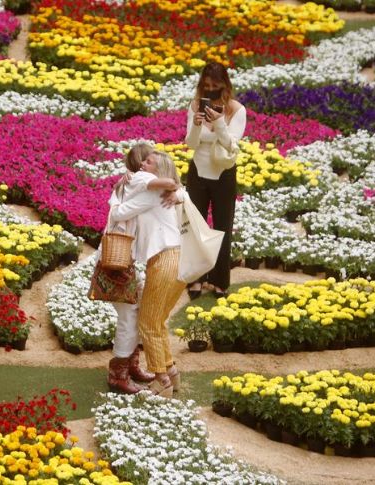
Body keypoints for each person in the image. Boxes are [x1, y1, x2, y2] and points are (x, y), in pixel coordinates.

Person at [110, 150, 186, 398]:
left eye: (149, 162)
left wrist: (118, 199)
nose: (143, 164)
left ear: (158, 169)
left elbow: (119, 214)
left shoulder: (152, 192)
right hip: (178, 259)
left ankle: (161, 380)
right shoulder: (162, 193)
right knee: (157, 320)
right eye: (143, 160)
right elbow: (180, 189)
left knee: (148, 322)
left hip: (164, 260)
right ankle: (171, 372)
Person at [184, 61, 247, 299]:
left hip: (223, 174)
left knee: (223, 227)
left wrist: (219, 121)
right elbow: (190, 143)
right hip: (198, 172)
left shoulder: (236, 110)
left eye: (215, 86)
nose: (210, 90)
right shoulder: (195, 106)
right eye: (206, 85)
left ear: (224, 86)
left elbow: (232, 144)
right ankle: (196, 278)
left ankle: (220, 280)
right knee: (196, 227)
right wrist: (198, 124)